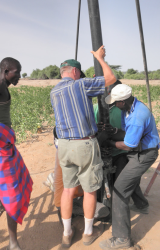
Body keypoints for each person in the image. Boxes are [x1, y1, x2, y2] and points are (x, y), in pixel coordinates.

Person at [50, 45, 116, 248]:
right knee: (89, 190)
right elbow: (111, 79)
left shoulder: (54, 91)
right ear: (76, 72)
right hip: (83, 144)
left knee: (68, 190)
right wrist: (100, 57)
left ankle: (67, 233)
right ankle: (88, 233)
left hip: (64, 146)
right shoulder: (80, 85)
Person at [99, 84, 160, 250]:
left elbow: (128, 145)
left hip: (143, 154)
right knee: (127, 179)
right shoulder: (130, 109)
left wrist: (109, 141)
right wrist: (114, 131)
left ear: (123, 101)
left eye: (116, 102)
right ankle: (141, 205)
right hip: (140, 150)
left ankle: (122, 239)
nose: (114, 105)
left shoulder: (137, 116)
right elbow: (126, 133)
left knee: (119, 190)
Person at [0, 57, 33, 250]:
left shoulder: (1, 86)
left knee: (23, 177)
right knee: (13, 194)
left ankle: (0, 200)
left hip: (4, 144)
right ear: (6, 71)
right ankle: (13, 243)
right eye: (16, 72)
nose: (19, 76)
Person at [94, 80, 150, 213]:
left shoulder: (126, 110)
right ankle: (103, 204)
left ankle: (139, 203)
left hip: (122, 151)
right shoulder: (97, 108)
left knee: (125, 179)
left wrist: (113, 133)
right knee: (102, 179)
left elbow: (130, 137)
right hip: (104, 150)